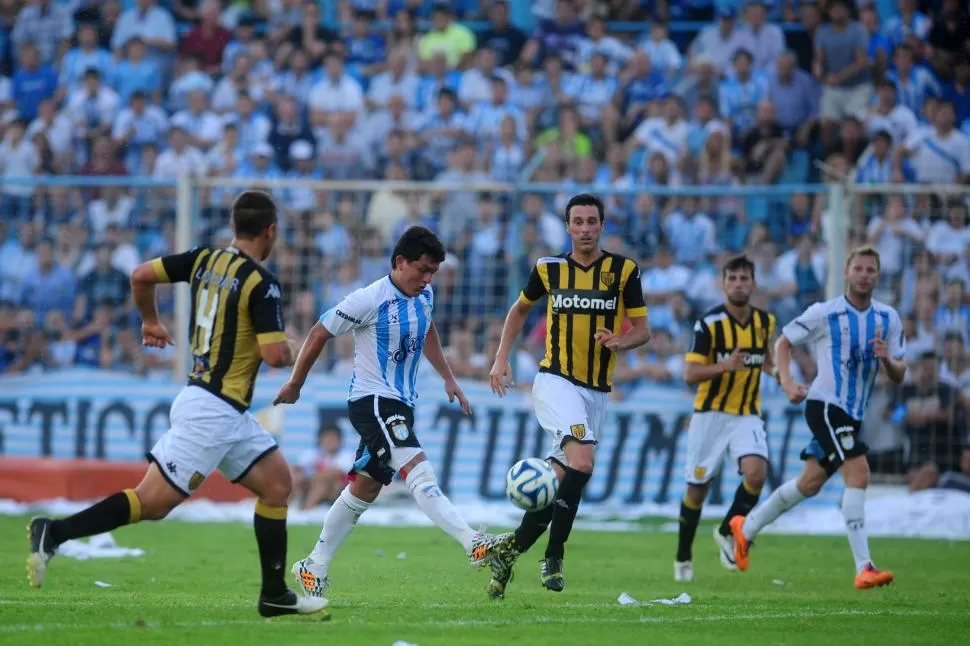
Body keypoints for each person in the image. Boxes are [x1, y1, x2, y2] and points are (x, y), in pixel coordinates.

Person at [26, 190, 326, 617]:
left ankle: (274, 594)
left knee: (278, 484)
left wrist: (150, 320)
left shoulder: (204, 259)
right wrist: (300, 347)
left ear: (235, 226)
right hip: (213, 410)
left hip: (219, 406)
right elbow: (275, 356)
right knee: (152, 504)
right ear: (271, 231)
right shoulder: (262, 283)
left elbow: (140, 275)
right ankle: (52, 532)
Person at [273, 226, 514, 600]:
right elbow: (319, 332)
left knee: (364, 488)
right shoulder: (368, 299)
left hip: (401, 403)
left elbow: (427, 328)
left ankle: (313, 564)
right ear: (399, 262)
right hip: (373, 402)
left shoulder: (425, 293)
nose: (427, 278)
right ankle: (474, 543)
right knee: (417, 467)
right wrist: (296, 383)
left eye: (433, 271)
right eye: (421, 269)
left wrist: (448, 378)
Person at [486, 193, 652, 598]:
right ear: (567, 226)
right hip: (555, 381)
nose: (584, 229)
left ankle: (508, 552)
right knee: (583, 459)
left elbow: (643, 330)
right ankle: (554, 555)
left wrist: (620, 342)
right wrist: (500, 358)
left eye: (591, 221)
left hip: (595, 392)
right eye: (577, 221)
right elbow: (519, 311)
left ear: (601, 225)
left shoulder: (623, 270)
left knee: (560, 477)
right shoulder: (549, 269)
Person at [729, 245, 907, 589]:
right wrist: (787, 381)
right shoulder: (826, 313)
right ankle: (864, 566)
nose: (865, 275)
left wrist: (886, 359)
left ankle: (745, 527)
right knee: (859, 472)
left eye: (871, 270)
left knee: (808, 484)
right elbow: (783, 343)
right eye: (859, 269)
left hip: (852, 414)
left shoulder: (889, 318)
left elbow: (900, 373)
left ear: (878, 275)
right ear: (846, 272)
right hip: (825, 405)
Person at [675, 254, 777, 582]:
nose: (738, 284)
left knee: (757, 474)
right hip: (711, 415)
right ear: (723, 284)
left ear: (753, 283)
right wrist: (724, 366)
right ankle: (683, 558)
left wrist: (788, 380)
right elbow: (690, 374)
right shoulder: (708, 324)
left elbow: (769, 361)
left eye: (744, 278)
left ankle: (727, 530)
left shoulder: (766, 322)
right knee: (697, 491)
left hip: (747, 413)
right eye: (732, 279)